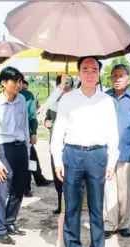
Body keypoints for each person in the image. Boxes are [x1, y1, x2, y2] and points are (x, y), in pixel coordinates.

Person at [51, 56, 119, 247]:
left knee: (97, 205)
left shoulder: (106, 100)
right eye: (85, 69)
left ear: (99, 74)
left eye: (94, 70)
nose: (90, 73)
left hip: (98, 155)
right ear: (78, 73)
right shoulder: (68, 99)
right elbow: (58, 130)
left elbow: (112, 132)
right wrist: (57, 160)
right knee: (71, 204)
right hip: (73, 155)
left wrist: (111, 161)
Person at [0, 66, 31, 245]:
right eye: (15, 81)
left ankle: (10, 222)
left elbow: (25, 127)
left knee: (19, 188)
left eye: (20, 81)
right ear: (4, 83)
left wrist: (27, 152)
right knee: (1, 190)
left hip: (20, 148)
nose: (19, 85)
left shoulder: (21, 101)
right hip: (3, 148)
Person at [104, 64, 130, 239]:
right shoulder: (104, 98)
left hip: (128, 151)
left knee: (126, 190)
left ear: (128, 78)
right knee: (109, 189)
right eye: (114, 76)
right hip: (106, 152)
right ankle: (110, 223)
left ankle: (124, 224)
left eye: (121, 75)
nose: (117, 79)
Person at [44, 74, 74, 214]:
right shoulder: (55, 103)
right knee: (58, 178)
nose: (65, 90)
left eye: (67, 86)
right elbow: (47, 110)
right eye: (62, 87)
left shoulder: (76, 103)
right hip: (56, 146)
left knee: (73, 178)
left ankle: (72, 205)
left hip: (72, 147)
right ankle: (61, 203)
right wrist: (47, 122)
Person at [20, 80, 53, 197]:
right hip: (23, 134)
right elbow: (32, 115)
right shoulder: (27, 95)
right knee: (29, 159)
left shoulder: (26, 95)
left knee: (29, 158)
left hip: (22, 134)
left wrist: (33, 132)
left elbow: (32, 115)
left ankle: (33, 182)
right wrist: (33, 132)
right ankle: (30, 184)